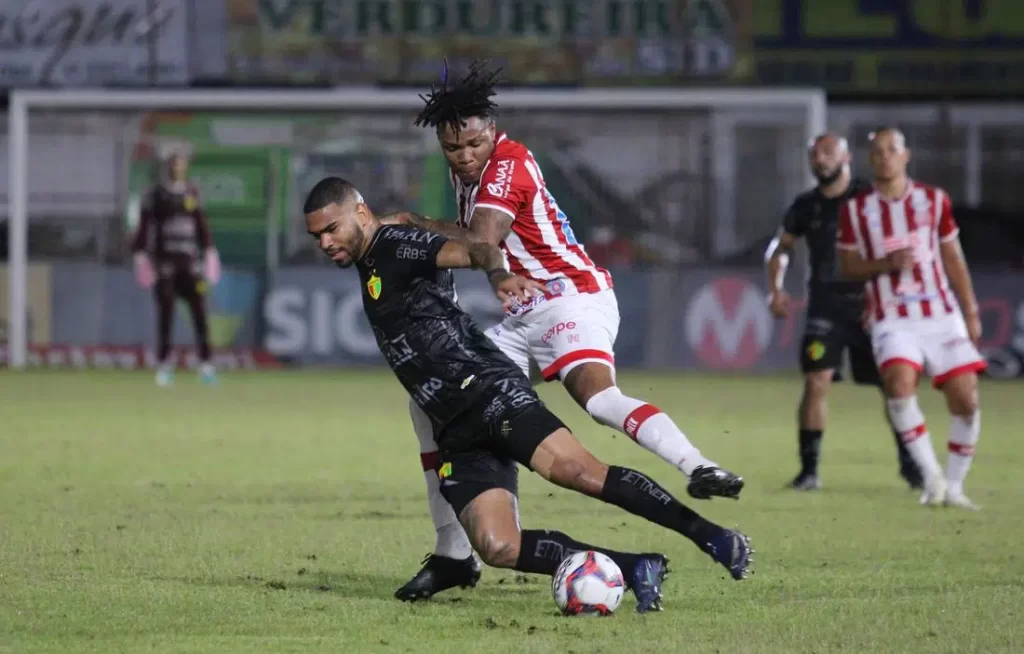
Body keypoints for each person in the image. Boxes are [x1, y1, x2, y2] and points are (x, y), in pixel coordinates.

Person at [378, 60, 745, 601]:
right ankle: (454, 553)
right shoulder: (472, 175)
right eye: (452, 149)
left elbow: (482, 239)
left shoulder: (509, 161)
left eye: (472, 144)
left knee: (596, 400)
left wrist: (413, 224)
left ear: (491, 133)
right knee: (433, 403)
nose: (463, 157)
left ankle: (701, 465)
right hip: (522, 315)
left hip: (571, 298)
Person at [303, 176, 754, 613]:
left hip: (487, 389)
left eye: (331, 229)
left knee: (578, 472)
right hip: (454, 423)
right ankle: (636, 566)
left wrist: (498, 273)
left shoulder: (396, 244)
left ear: (360, 213)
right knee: (498, 545)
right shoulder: (369, 254)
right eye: (316, 236)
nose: (325, 243)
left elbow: (475, 247)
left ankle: (711, 536)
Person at [837, 127, 986, 509]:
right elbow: (848, 265)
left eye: (892, 150)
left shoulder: (934, 201)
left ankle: (954, 487)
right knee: (900, 385)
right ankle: (931, 477)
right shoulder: (856, 210)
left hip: (940, 312)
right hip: (892, 317)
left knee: (966, 400)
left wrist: (970, 310)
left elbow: (953, 257)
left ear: (906, 156)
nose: (885, 156)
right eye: (878, 151)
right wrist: (887, 263)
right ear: (871, 159)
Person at [765, 134, 923, 491]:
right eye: (814, 154)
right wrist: (775, 289)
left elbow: (901, 249)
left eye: (827, 153)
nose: (819, 160)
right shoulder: (806, 205)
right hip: (826, 310)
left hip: (875, 307)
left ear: (847, 157)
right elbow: (781, 248)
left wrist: (893, 298)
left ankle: (912, 465)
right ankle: (809, 472)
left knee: (894, 387)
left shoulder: (871, 199)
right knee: (816, 381)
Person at [132, 150, 221, 386]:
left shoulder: (192, 193)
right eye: (174, 164)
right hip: (164, 264)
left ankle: (206, 365)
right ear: (167, 167)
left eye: (181, 164)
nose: (178, 168)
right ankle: (164, 365)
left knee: (200, 313)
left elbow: (201, 223)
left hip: (190, 263)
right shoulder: (155, 195)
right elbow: (144, 225)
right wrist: (140, 254)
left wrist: (210, 251)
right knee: (166, 314)